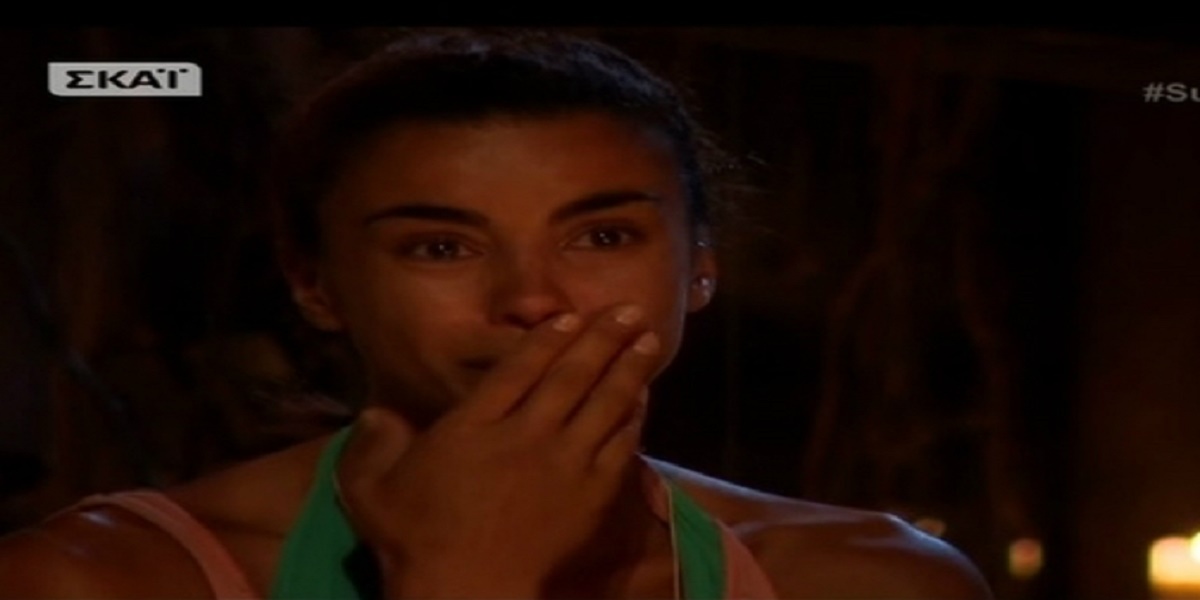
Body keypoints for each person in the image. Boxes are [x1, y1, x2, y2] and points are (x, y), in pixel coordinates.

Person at [0, 29, 992, 599]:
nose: (531, 300)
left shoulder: (865, 580)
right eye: (441, 247)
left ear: (699, 268)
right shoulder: (104, 578)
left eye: (602, 236)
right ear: (315, 286)